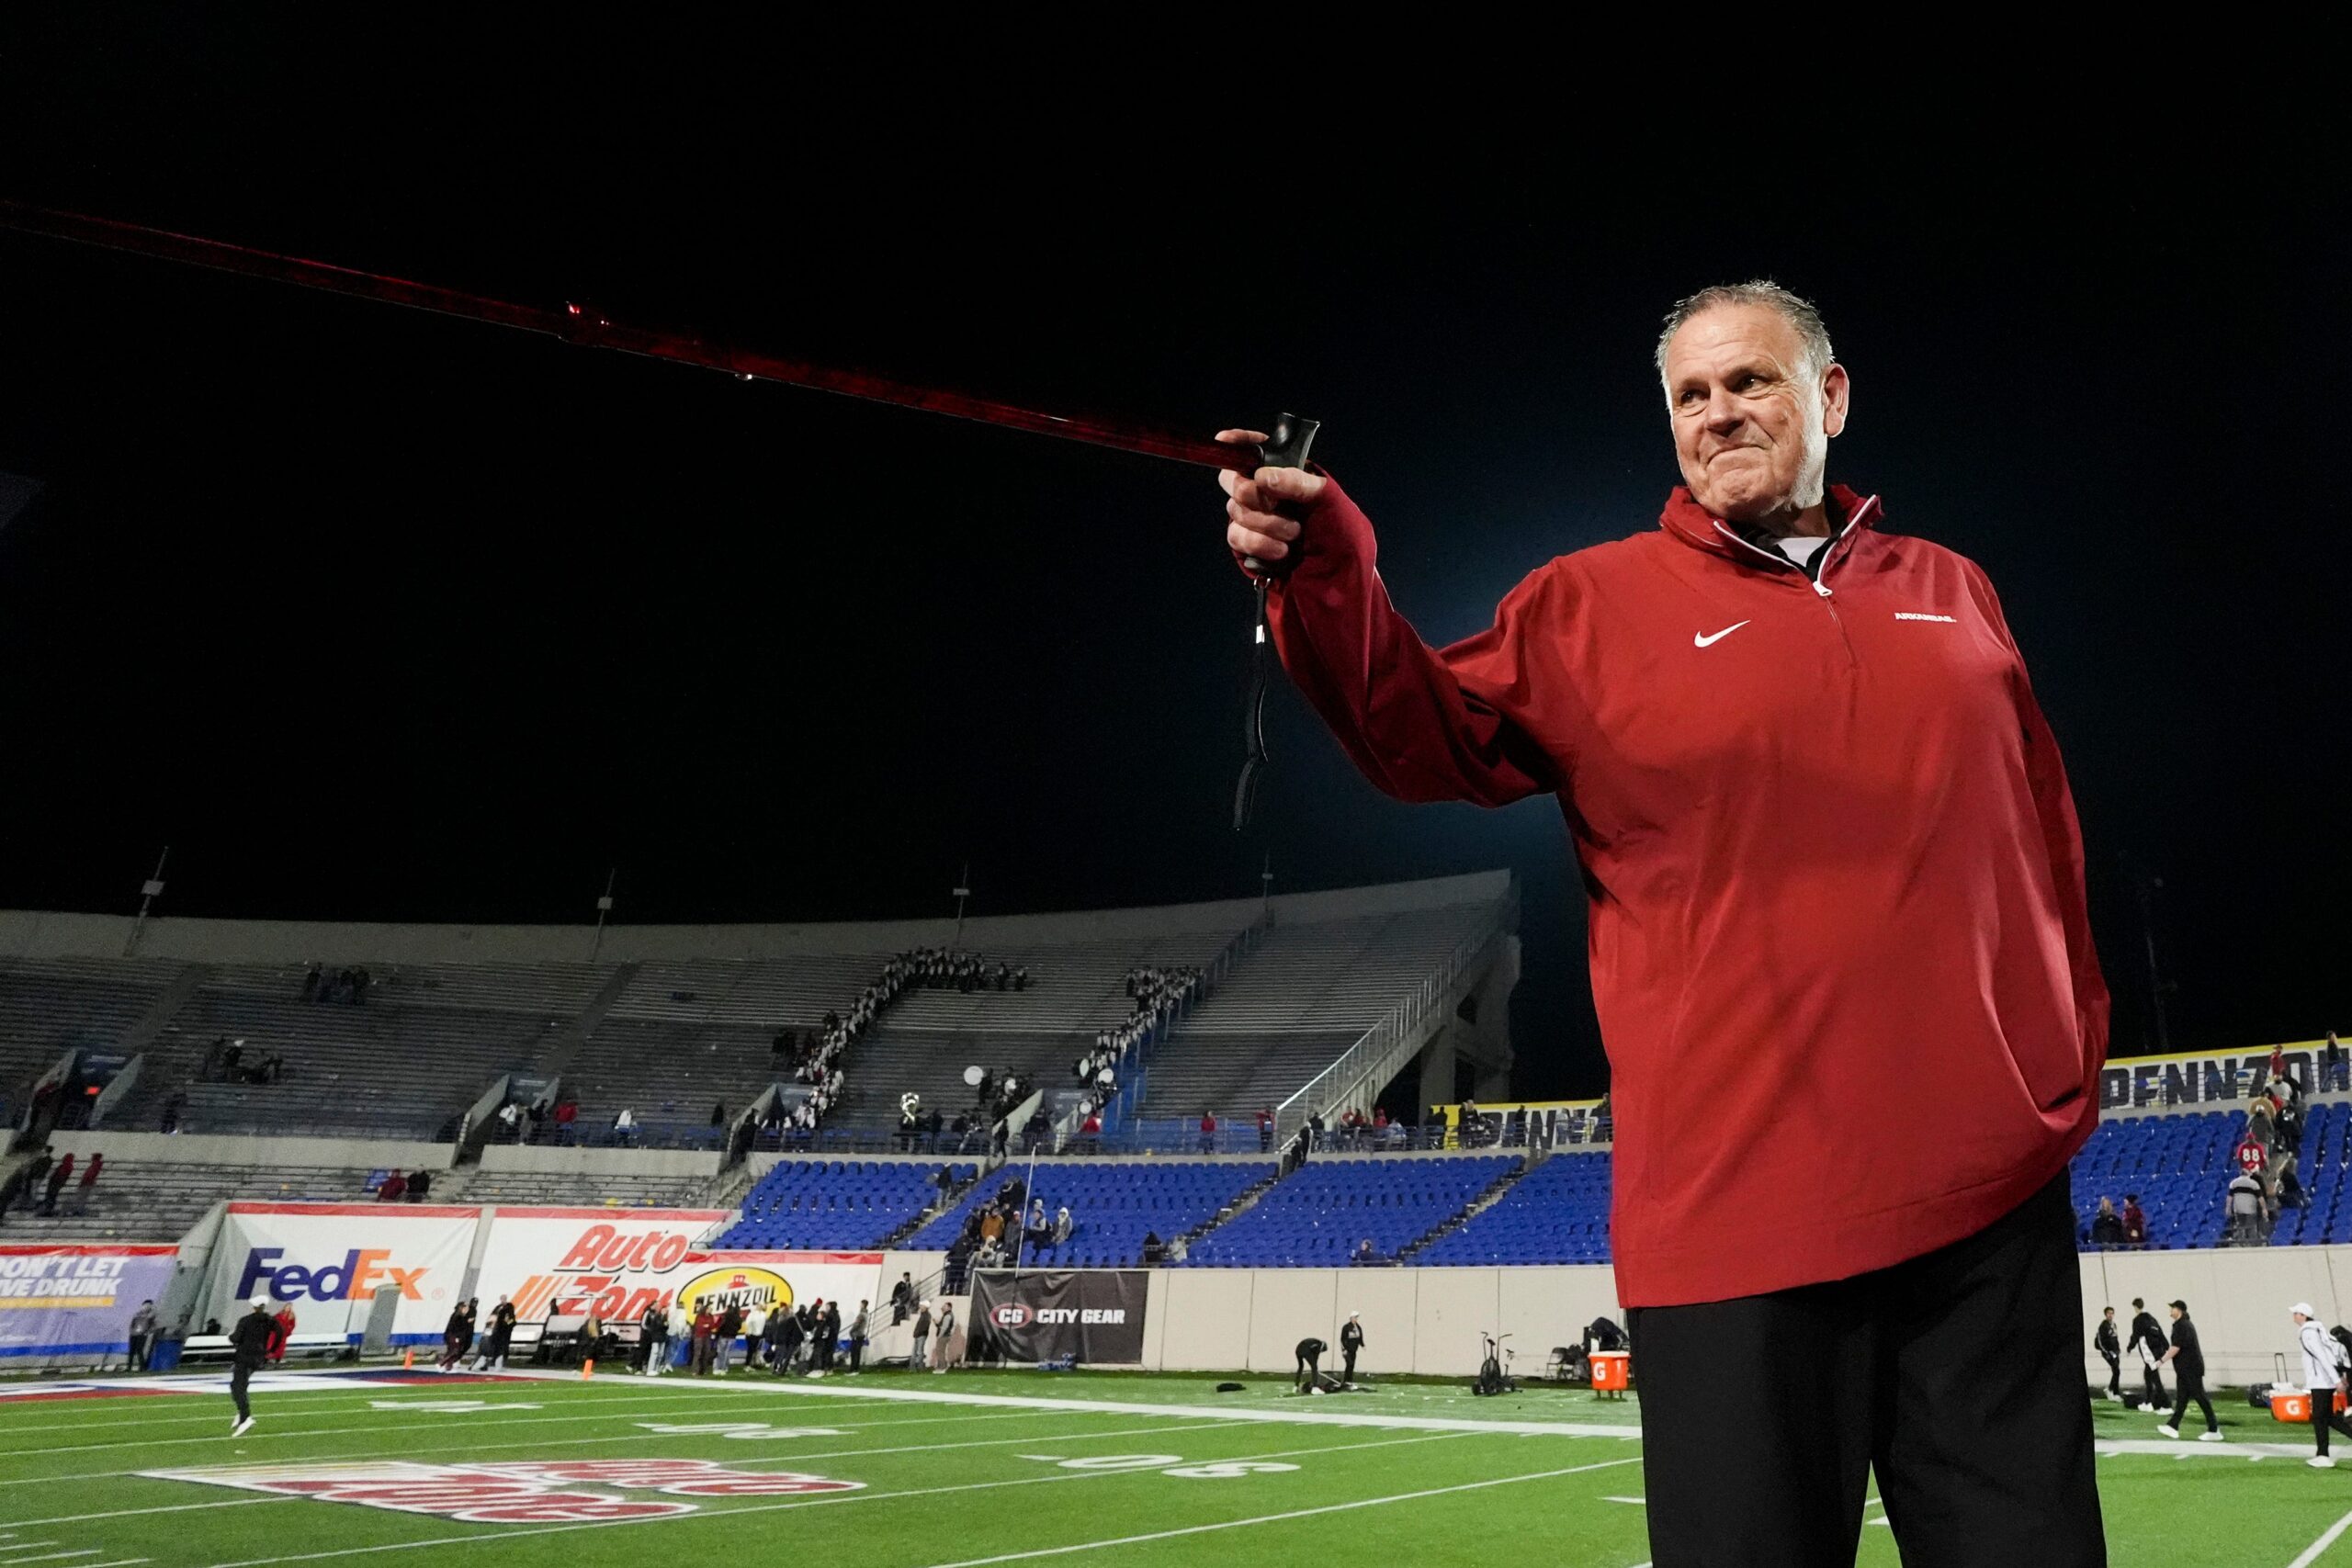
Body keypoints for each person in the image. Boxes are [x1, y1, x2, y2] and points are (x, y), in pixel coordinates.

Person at [1217, 279, 2109, 1563]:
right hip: (1736, 1213)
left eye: (1750, 380)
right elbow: (1416, 731)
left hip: (1986, 1206)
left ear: (1831, 396)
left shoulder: (1956, 588)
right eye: (1691, 395)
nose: (1719, 412)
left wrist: (2056, 1064)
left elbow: (2047, 836)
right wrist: (1325, 568)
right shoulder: (1589, 604)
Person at [2292, 1303, 2352, 1468]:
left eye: (2296, 1313)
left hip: (2321, 1381)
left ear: (2304, 1316)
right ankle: (2322, 1453)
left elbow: (2321, 1357)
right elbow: (2330, 1354)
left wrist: (2336, 1379)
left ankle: (2323, 1455)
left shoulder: (2308, 1332)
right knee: (2328, 1417)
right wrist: (2338, 1377)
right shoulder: (2319, 1330)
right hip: (2325, 1380)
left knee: (2319, 1417)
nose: (2294, 1316)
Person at [2156, 1300, 2221, 1441]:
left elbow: (2175, 1348)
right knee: (2181, 1399)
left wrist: (2160, 1361)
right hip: (2185, 1369)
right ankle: (2173, 1426)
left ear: (2178, 1310)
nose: (2170, 1310)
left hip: (2190, 1368)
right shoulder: (2182, 1325)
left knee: (2200, 1397)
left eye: (2172, 1307)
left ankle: (2214, 1429)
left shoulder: (2182, 1326)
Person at [227, 1297, 273, 1436]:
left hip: (245, 1357)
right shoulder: (269, 1321)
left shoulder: (246, 1320)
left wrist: (231, 1337)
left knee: (237, 1387)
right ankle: (243, 1414)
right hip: (258, 1358)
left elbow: (236, 1338)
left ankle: (245, 1416)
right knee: (240, 1385)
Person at [2128, 1298, 2169, 1411]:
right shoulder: (2153, 1319)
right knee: (2148, 1375)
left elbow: (2135, 1336)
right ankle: (2149, 1402)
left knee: (2155, 1378)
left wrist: (2129, 1347)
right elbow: (2161, 1334)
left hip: (2149, 1352)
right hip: (2158, 1352)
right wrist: (2167, 1347)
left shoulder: (2138, 1320)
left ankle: (2165, 1405)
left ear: (2136, 1307)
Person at [474, 1296, 516, 1371]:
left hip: (495, 1332)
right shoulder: (505, 1314)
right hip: (500, 1334)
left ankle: (482, 1364)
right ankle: (493, 1365)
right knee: (498, 1349)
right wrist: (507, 1325)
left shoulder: (498, 1312)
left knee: (489, 1349)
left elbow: (510, 1322)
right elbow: (511, 1322)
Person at [438, 1298, 477, 1371]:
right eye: (465, 1308)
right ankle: (441, 1363)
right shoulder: (458, 1316)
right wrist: (457, 1337)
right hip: (453, 1336)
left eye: (467, 1309)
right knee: (454, 1351)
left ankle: (448, 1367)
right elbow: (456, 1328)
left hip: (454, 1336)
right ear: (461, 1308)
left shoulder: (462, 1317)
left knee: (454, 1351)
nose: (467, 1310)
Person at [2094, 1307, 2122, 1403]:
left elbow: (2116, 1339)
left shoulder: (2114, 1325)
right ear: (2105, 1314)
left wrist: (2118, 1350)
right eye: (2109, 1313)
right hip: (2108, 1352)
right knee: (2117, 1370)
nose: (2111, 1315)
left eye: (2112, 1313)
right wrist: (2107, 1352)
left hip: (2115, 1352)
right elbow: (2100, 1341)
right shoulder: (2103, 1326)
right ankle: (2111, 1390)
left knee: (2117, 1371)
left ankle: (2114, 1392)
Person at [127, 1299, 157, 1371]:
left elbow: (153, 1325)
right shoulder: (137, 1314)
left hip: (142, 1334)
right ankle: (129, 1367)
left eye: (149, 1306)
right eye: (145, 1305)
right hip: (134, 1334)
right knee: (131, 1351)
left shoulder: (151, 1315)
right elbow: (132, 1323)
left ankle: (142, 1367)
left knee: (139, 1350)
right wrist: (131, 1331)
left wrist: (148, 1332)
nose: (146, 1307)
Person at [1340, 1313, 1365, 1384]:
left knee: (1352, 1365)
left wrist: (1362, 1345)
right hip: (1347, 1350)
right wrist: (1343, 1349)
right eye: (1354, 1317)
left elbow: (1360, 1338)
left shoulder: (1358, 1327)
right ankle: (1346, 1380)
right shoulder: (1346, 1327)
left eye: (1356, 1318)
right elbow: (1342, 1339)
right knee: (1349, 1364)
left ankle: (1349, 1380)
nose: (1355, 1319)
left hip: (1354, 1350)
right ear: (1351, 1318)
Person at [848, 1301, 869, 1372]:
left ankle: (853, 1369)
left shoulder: (861, 1315)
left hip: (857, 1335)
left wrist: (851, 1331)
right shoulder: (866, 1314)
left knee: (854, 1353)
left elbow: (856, 1324)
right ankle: (856, 1368)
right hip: (861, 1334)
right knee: (857, 1353)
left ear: (863, 1305)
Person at [910, 1301, 933, 1371]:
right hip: (919, 1334)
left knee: (919, 1351)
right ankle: (914, 1367)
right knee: (916, 1351)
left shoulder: (926, 1315)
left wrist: (918, 1332)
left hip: (921, 1335)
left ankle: (918, 1366)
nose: (920, 1307)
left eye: (921, 1305)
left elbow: (924, 1326)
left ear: (925, 1307)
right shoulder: (924, 1315)